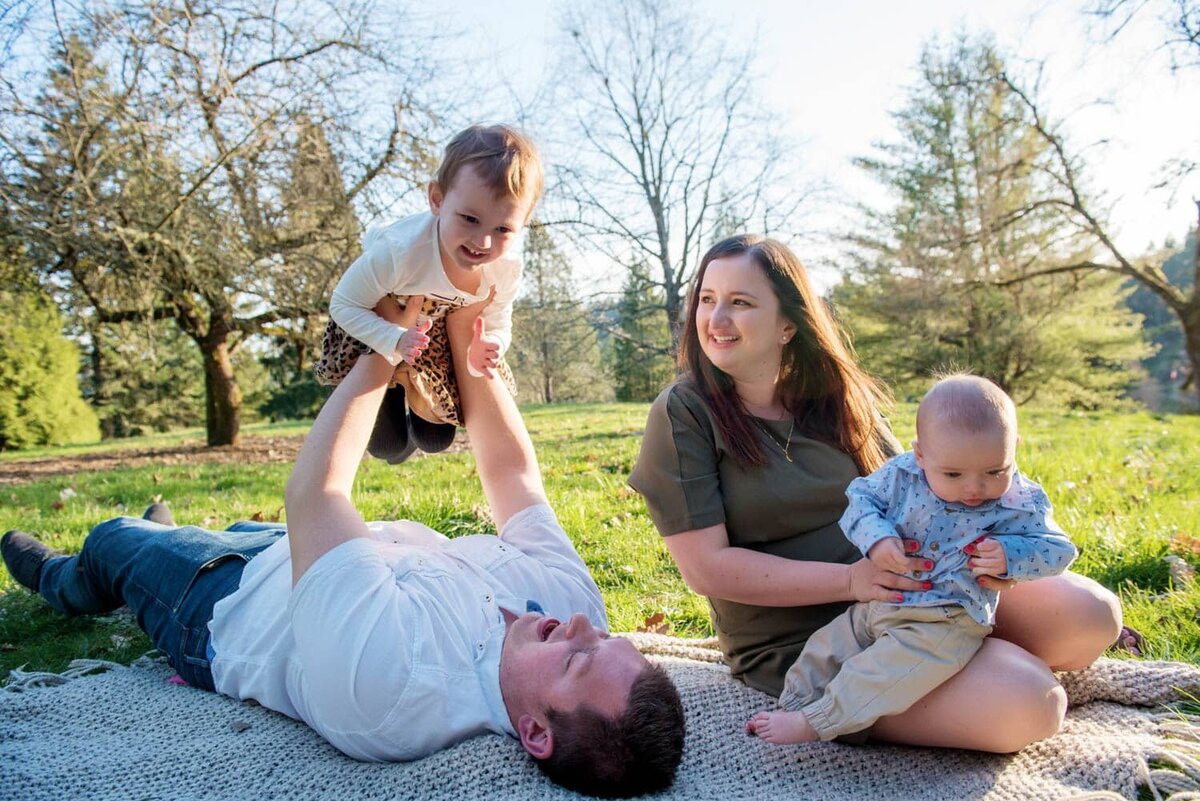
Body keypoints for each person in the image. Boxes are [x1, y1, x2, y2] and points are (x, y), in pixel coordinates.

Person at [2, 302, 685, 798]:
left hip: (222, 601)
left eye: (573, 658)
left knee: (115, 541)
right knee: (214, 531)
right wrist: (468, 334)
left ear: (536, 732)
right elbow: (512, 476)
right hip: (331, 552)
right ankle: (164, 528)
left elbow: (316, 495)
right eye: (605, 637)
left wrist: (380, 353)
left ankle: (68, 577)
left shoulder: (396, 687)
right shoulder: (575, 607)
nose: (579, 624)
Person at [628, 233, 1122, 753]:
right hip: (806, 636)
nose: (716, 319)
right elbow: (706, 569)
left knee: (1091, 615)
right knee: (1032, 704)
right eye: (707, 299)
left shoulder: (834, 395)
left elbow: (933, 485)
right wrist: (854, 580)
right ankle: (939, 673)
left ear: (789, 323)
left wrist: (1002, 560)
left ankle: (960, 653)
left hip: (926, 588)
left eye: (740, 302)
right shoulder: (684, 411)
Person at [746, 374, 1077, 744]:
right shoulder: (903, 474)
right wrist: (878, 539)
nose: (974, 488)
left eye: (994, 471)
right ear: (921, 454)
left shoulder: (1019, 499)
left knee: (883, 671)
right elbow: (861, 499)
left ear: (1013, 449)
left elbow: (1058, 550)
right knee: (826, 648)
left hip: (945, 620)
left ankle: (817, 721)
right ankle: (793, 704)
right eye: (953, 474)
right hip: (882, 603)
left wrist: (1011, 556)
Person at [314, 123, 543, 463]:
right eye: (469, 219)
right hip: (380, 318)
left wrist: (493, 342)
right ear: (437, 199)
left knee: (435, 439)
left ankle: (413, 423)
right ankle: (393, 405)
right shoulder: (399, 253)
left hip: (436, 335)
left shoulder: (504, 269)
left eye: (503, 229)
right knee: (384, 445)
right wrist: (392, 338)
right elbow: (344, 304)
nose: (482, 242)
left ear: (523, 224)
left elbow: (498, 319)